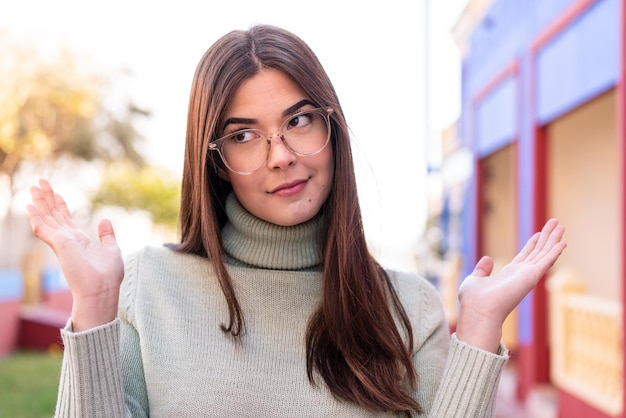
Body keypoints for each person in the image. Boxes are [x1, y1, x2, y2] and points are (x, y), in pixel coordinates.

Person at [26, 24, 566, 417]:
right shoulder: (147, 288)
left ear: (332, 128)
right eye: (243, 135)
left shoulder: (408, 307)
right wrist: (94, 308)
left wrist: (477, 328)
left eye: (299, 120)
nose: (280, 154)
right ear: (215, 162)